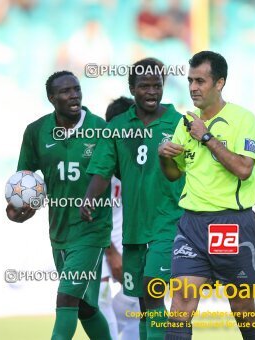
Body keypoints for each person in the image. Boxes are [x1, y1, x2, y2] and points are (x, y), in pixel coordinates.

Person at [158, 50, 255, 340]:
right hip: (191, 225)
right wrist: (164, 157)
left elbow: (243, 169)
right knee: (180, 304)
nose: (193, 87)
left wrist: (206, 137)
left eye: (201, 81)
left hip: (230, 224)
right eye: (190, 80)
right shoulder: (186, 123)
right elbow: (173, 174)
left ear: (219, 83)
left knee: (242, 307)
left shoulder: (243, 118)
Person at [81, 58, 184, 340]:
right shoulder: (116, 127)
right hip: (134, 229)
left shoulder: (179, 124)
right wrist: (89, 198)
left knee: (153, 292)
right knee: (141, 302)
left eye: (157, 85)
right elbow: (102, 170)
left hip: (169, 224)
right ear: (132, 88)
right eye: (144, 86)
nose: (151, 92)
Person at [6, 71, 112, 340]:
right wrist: (15, 210)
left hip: (91, 230)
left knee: (65, 299)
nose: (74, 94)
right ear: (52, 98)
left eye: (77, 89)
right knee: (83, 307)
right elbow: (23, 181)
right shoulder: (36, 132)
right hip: (59, 232)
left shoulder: (100, 129)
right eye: (65, 91)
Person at [98, 96, 141, 340]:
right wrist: (111, 251)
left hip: (134, 242)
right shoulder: (100, 160)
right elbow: (91, 212)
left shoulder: (144, 156)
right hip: (102, 241)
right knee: (101, 295)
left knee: (140, 302)